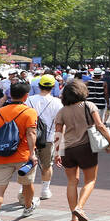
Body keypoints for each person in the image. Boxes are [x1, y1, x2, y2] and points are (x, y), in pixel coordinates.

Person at [52, 78, 110, 221]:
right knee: (90, 180)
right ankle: (79, 208)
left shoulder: (62, 111)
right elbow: (100, 125)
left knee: (72, 182)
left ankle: (73, 217)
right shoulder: (88, 105)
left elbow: (58, 133)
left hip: (67, 149)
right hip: (86, 147)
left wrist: (56, 153)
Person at [0, 81, 40, 221]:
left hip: (1, 156)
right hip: (23, 156)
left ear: (9, 95)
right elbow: (31, 133)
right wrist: (32, 154)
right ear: (26, 96)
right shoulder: (29, 112)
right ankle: (28, 207)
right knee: (27, 184)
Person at [25, 74, 63, 202]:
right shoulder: (57, 102)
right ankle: (45, 189)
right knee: (47, 165)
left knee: (29, 163)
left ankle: (24, 189)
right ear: (53, 87)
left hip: (30, 137)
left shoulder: (29, 100)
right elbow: (59, 125)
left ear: (39, 85)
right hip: (49, 138)